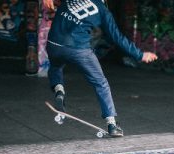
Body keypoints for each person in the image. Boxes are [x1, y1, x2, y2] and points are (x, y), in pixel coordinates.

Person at [46, 0, 158, 137]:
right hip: (79, 50)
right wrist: (140, 55)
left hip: (53, 45)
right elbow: (117, 37)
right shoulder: (102, 10)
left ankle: (59, 90)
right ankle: (112, 124)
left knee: (55, 66)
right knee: (101, 83)